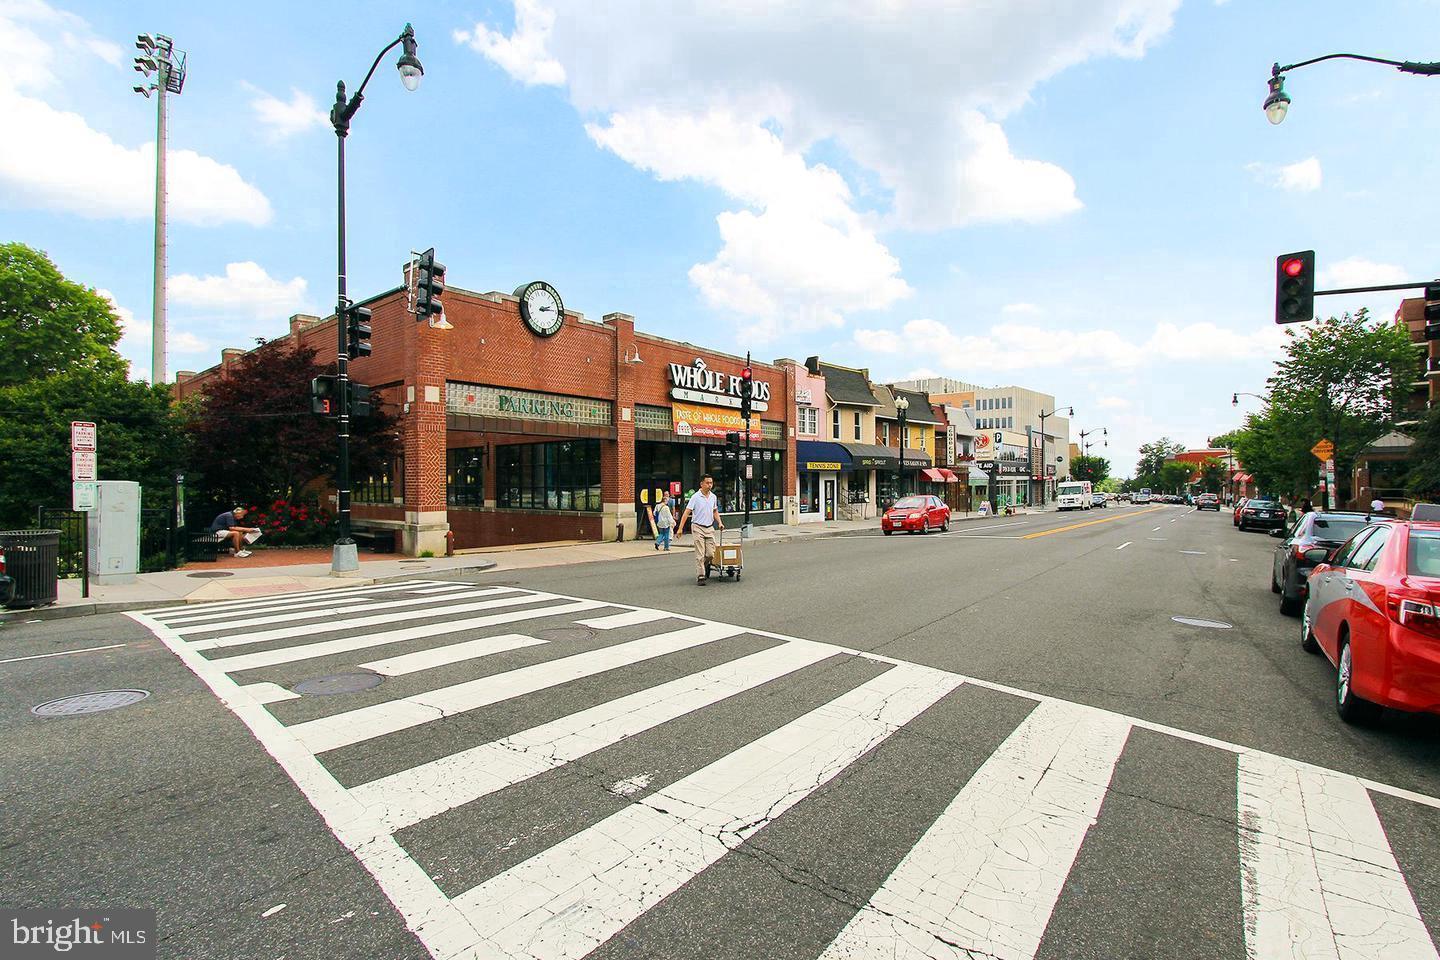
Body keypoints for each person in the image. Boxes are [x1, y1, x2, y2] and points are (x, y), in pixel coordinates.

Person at [677, 474, 723, 586]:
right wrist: (680, 528)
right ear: (701, 484)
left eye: (711, 483)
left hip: (709, 527)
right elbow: (687, 512)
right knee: (700, 553)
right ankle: (701, 576)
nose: (709, 485)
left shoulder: (713, 497)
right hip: (697, 527)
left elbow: (715, 511)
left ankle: (705, 565)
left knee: (710, 554)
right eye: (707, 483)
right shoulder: (695, 497)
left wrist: (720, 522)